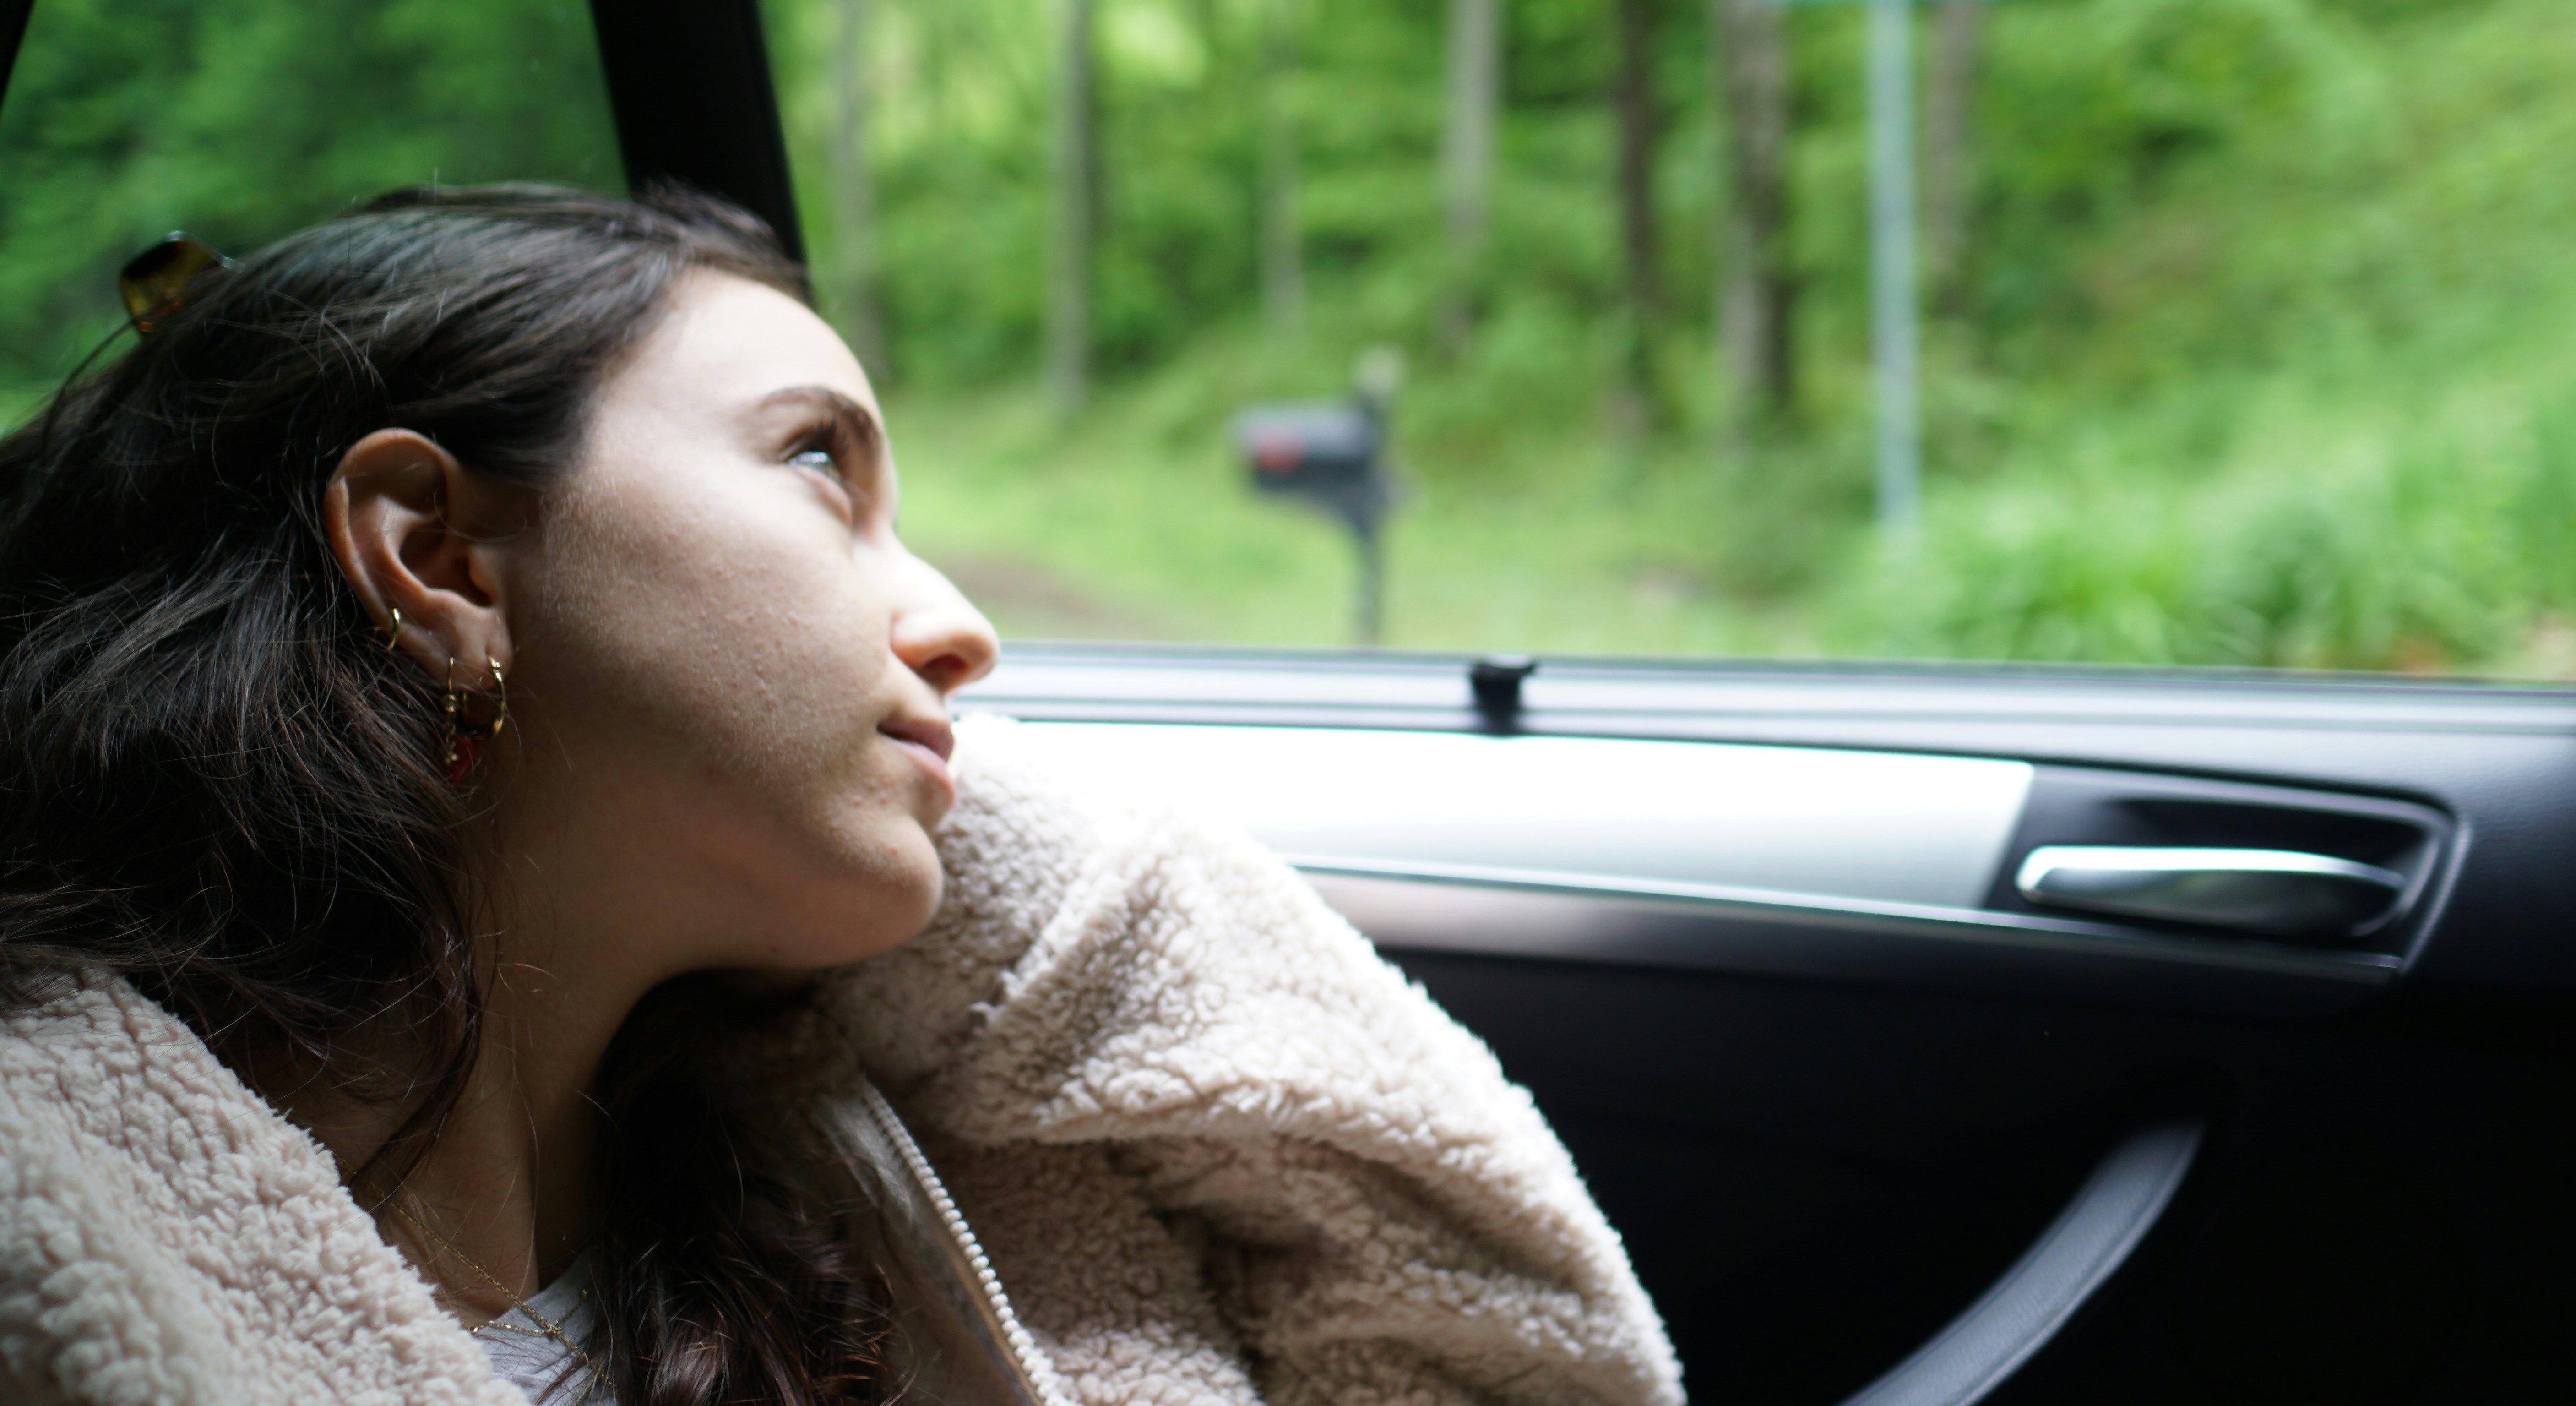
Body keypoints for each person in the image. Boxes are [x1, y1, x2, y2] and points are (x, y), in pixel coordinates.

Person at [0, 186, 1681, 1406]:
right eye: (821, 464)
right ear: (436, 555)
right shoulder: (54, 1214)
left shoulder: (864, 1199)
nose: (964, 629)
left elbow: (1488, 1359)